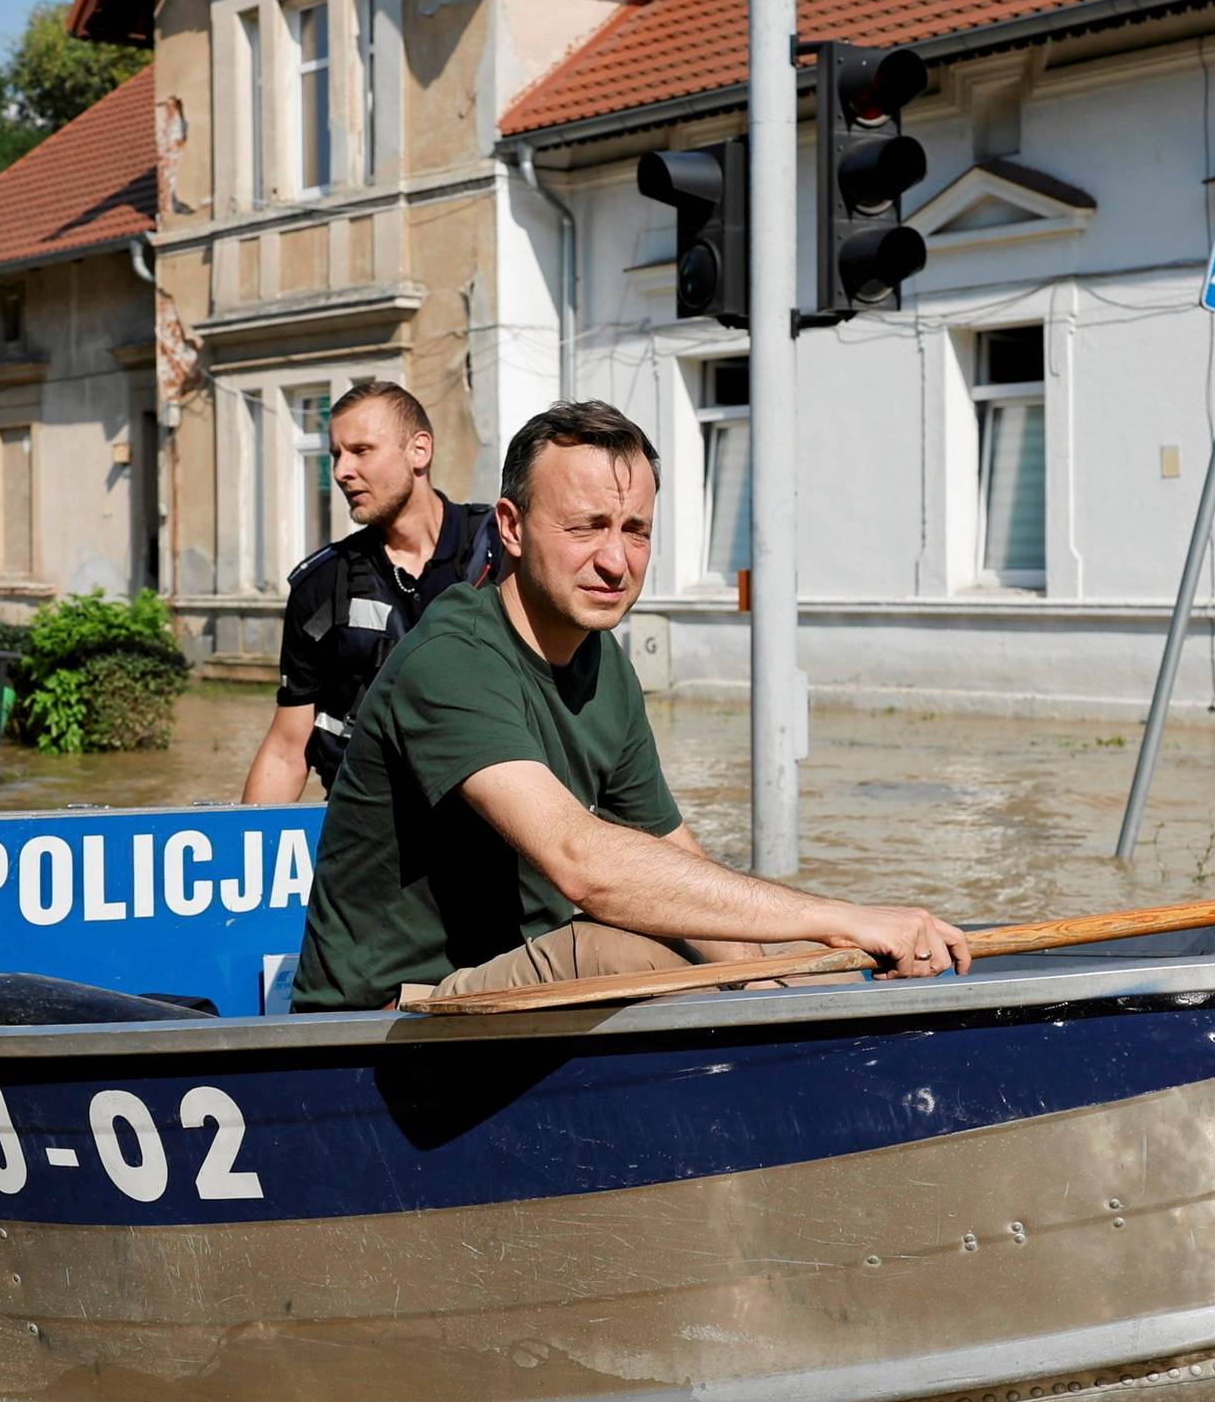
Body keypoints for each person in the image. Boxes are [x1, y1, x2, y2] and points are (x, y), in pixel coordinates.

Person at [291, 400, 973, 1013]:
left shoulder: (603, 662)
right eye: (587, 527)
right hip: (387, 1013)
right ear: (512, 527)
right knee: (621, 950)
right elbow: (584, 864)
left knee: (793, 962)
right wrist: (847, 918)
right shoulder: (452, 656)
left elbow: (675, 861)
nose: (616, 561)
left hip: (508, 985)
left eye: (635, 529)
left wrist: (779, 978)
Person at [244, 379, 493, 804]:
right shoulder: (320, 587)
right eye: (336, 455)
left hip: (490, 821)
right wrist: (247, 852)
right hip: (369, 832)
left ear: (420, 450)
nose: (341, 471)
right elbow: (287, 749)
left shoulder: (502, 552)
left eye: (361, 451)